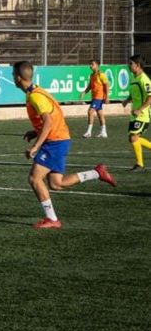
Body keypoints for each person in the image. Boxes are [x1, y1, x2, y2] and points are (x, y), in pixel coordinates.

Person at [13, 61, 116, 229]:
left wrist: (36, 146)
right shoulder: (35, 91)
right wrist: (35, 131)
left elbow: (48, 121)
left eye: (13, 75)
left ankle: (52, 219)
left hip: (54, 141)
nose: (13, 78)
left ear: (18, 78)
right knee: (56, 183)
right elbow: (49, 118)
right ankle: (97, 173)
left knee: (34, 178)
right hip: (59, 138)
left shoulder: (35, 96)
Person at [122, 54, 151, 172]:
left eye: (131, 64)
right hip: (134, 114)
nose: (129, 66)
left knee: (134, 137)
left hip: (143, 115)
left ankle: (139, 164)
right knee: (132, 138)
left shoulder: (144, 80)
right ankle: (139, 163)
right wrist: (127, 100)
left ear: (138, 65)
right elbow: (134, 94)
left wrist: (140, 109)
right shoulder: (134, 78)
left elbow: (150, 97)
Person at [80, 59, 108, 138]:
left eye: (92, 64)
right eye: (90, 64)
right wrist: (84, 92)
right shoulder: (92, 75)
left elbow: (106, 85)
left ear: (97, 65)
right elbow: (90, 86)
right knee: (100, 114)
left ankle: (89, 132)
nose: (90, 66)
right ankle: (103, 132)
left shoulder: (101, 75)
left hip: (99, 97)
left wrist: (107, 96)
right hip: (95, 97)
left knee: (90, 111)